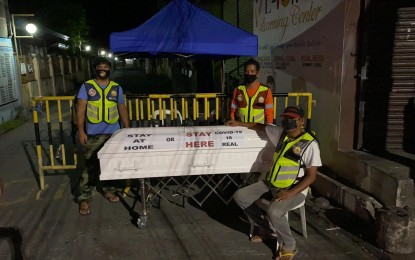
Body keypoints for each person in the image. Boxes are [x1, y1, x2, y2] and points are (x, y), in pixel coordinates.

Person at [227, 106, 321, 260]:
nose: (288, 122)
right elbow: (261, 126)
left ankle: (289, 245)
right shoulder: (281, 134)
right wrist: (238, 123)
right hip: (270, 183)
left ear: (301, 121)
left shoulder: (310, 144)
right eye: (286, 119)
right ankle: (268, 230)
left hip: (293, 189)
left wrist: (290, 192)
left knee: (274, 212)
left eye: (292, 119)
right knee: (240, 196)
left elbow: (311, 177)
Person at [76, 57, 129, 215]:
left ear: (110, 70)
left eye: (106, 67)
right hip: (93, 133)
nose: (103, 69)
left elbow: (122, 108)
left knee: (110, 164)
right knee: (90, 166)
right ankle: (85, 198)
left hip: (113, 133)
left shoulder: (116, 88)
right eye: (100, 67)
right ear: (95, 69)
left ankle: (109, 190)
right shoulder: (87, 87)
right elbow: (80, 110)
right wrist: (81, 131)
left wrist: (127, 129)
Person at [230, 59, 274, 124]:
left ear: (257, 73)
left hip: (258, 129)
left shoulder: (266, 90)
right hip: (241, 128)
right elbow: (233, 110)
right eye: (246, 71)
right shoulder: (238, 89)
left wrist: (268, 128)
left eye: (252, 71)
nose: (249, 73)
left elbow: (269, 112)